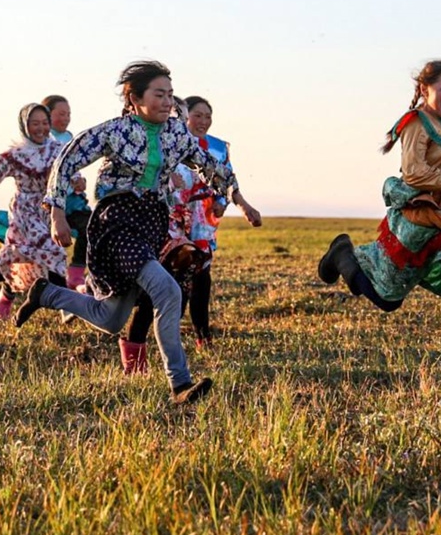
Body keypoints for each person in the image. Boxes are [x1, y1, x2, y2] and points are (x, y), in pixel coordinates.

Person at [14, 61, 236, 405]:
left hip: (150, 224)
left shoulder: (177, 134)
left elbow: (212, 167)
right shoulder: (114, 131)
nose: (167, 102)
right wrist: (56, 209)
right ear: (134, 99)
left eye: (170, 95)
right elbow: (67, 160)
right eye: (159, 94)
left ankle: (46, 293)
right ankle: (180, 384)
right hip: (116, 222)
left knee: (111, 317)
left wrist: (231, 196)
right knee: (169, 292)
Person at [317, 60, 441, 381]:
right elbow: (414, 172)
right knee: (387, 300)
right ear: (425, 89)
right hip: (417, 223)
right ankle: (344, 257)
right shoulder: (416, 124)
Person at [120, 95, 262, 373]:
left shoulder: (215, 148)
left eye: (208, 116)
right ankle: (135, 355)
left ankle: (196, 341)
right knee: (158, 290)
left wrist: (235, 204)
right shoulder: (159, 145)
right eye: (198, 115)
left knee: (193, 285)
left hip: (200, 225)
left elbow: (225, 178)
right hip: (164, 225)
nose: (203, 121)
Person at [0, 103, 67, 320]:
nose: (41, 128)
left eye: (45, 123)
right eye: (35, 123)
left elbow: (68, 170)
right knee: (52, 250)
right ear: (25, 126)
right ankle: (66, 305)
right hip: (24, 211)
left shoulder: (57, 150)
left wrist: (77, 181)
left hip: (47, 209)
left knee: (27, 257)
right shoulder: (16, 155)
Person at [41, 94, 91, 291]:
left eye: (68, 114)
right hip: (49, 205)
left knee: (92, 227)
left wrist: (80, 180)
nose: (66, 118)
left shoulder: (69, 137)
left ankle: (76, 274)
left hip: (73, 202)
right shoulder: (43, 140)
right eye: (61, 114)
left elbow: (74, 166)